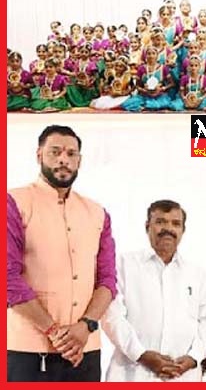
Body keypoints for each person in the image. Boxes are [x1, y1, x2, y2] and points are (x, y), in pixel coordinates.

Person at [7, 125, 117, 381]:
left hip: (85, 351)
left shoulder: (97, 213)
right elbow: (7, 277)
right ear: (39, 155)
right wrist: (54, 331)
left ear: (80, 160)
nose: (63, 160)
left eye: (71, 154)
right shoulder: (14, 202)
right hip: (27, 351)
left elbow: (108, 281)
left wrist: (86, 326)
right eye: (55, 152)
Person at [102, 200, 206, 381]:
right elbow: (112, 316)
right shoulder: (124, 265)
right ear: (147, 226)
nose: (168, 228)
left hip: (183, 375)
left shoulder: (197, 274)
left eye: (175, 223)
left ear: (183, 230)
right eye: (161, 222)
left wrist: (193, 358)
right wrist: (141, 355)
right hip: (132, 374)